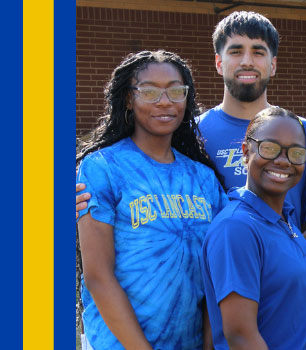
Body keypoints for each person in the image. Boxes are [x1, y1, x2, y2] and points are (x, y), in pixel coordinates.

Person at [76, 11, 306, 248]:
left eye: (258, 52)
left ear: (273, 65)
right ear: (218, 62)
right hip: (212, 288)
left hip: (283, 284)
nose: (247, 61)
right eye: (236, 51)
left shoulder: (305, 133)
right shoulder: (191, 134)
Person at [75, 50, 227, 350]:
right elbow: (98, 276)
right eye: (149, 91)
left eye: (176, 90)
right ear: (129, 99)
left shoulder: (204, 178)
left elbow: (217, 271)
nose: (165, 101)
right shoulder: (103, 167)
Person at [201, 106, 306, 349]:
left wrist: (304, 242)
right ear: (245, 152)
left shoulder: (283, 219)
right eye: (269, 148)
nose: (283, 161)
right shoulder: (236, 228)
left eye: (296, 153)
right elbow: (241, 337)